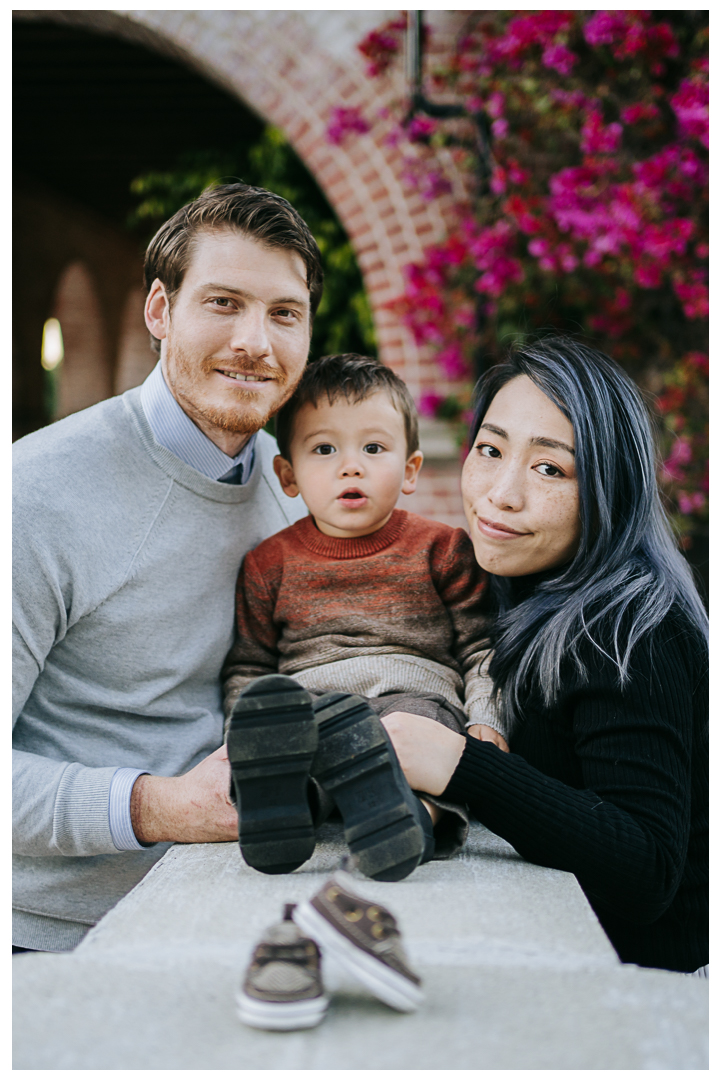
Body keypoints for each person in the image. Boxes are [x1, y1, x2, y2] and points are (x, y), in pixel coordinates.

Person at [12, 182, 323, 952]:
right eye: (223, 303)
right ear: (160, 311)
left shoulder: (295, 489)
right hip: (52, 945)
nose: (257, 341)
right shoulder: (35, 492)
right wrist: (161, 806)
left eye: (284, 313)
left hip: (229, 919)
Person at [381, 336, 708, 974]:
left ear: (610, 491)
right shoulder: (505, 586)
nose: (501, 494)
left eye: (550, 468)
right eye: (491, 450)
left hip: (645, 1005)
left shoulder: (635, 630)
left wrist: (461, 764)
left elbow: (647, 868)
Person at [221, 354, 509, 877]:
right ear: (288, 474)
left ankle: (407, 821)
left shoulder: (442, 549)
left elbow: (481, 648)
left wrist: (487, 716)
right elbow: (249, 666)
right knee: (297, 740)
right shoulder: (268, 563)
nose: (350, 466)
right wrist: (239, 736)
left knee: (431, 744)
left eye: (374, 448)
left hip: (413, 699)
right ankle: (292, 809)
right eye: (324, 449)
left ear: (410, 469)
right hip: (312, 706)